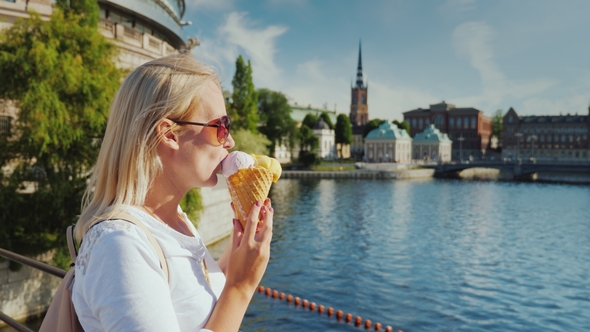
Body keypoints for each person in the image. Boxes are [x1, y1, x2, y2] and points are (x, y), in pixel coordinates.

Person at [71, 53, 273, 331]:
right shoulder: (120, 245)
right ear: (170, 134)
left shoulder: (174, 220)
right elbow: (226, 300)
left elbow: (199, 303)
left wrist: (238, 253)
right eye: (221, 127)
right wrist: (241, 288)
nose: (231, 141)